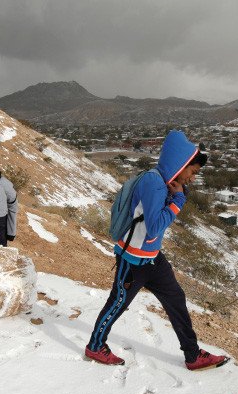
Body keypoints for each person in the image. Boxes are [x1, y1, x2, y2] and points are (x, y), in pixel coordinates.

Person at [85, 130, 230, 371]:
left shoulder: (163, 182)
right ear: (181, 164)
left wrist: (177, 195)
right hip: (132, 260)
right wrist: (178, 201)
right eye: (192, 172)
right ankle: (95, 346)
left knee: (176, 299)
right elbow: (154, 228)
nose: (193, 177)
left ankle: (193, 356)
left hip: (152, 258)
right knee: (118, 303)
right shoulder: (154, 184)